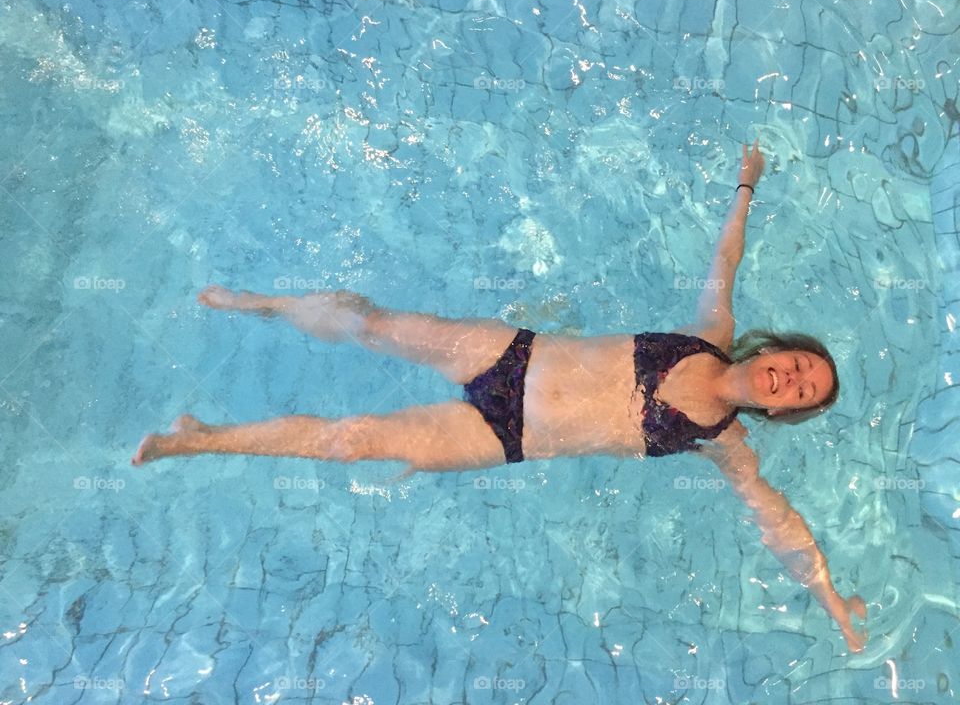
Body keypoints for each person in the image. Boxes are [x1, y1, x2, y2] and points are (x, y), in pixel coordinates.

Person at [132, 140, 867, 652]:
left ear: (780, 411)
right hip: (511, 354)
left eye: (801, 392)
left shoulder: (721, 440)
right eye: (800, 364)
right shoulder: (710, 330)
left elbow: (782, 524)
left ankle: (198, 435)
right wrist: (747, 185)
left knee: (349, 441)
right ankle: (261, 303)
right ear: (774, 351)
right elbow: (724, 256)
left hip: (505, 437)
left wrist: (833, 602)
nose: (792, 378)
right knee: (365, 319)